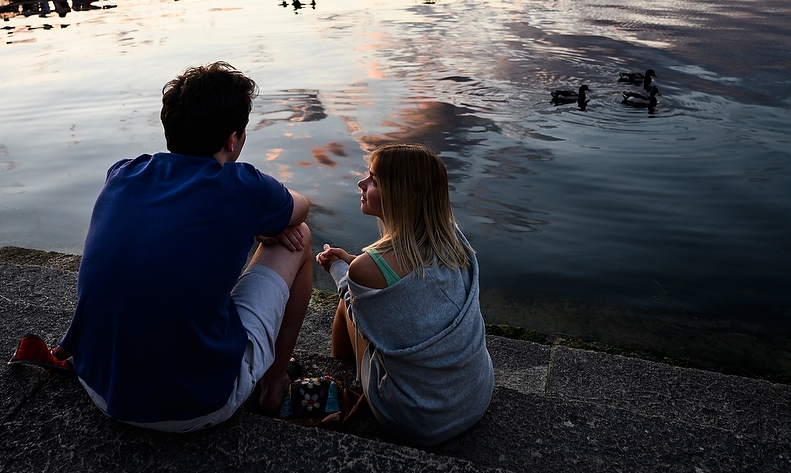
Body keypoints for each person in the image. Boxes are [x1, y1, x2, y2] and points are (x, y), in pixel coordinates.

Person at [59, 62, 313, 430]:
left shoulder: (123, 172)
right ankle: (276, 382)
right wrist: (263, 218)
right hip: (195, 404)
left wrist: (254, 222)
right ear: (233, 139)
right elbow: (300, 207)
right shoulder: (244, 186)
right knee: (299, 237)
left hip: (100, 387)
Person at [315, 143, 493, 447]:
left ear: (398, 194)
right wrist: (354, 262)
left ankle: (343, 367)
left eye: (373, 180)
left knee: (349, 307)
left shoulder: (365, 268)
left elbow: (356, 304)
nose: (361, 184)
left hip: (414, 420)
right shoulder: (452, 241)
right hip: (475, 398)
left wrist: (338, 268)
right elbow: (408, 279)